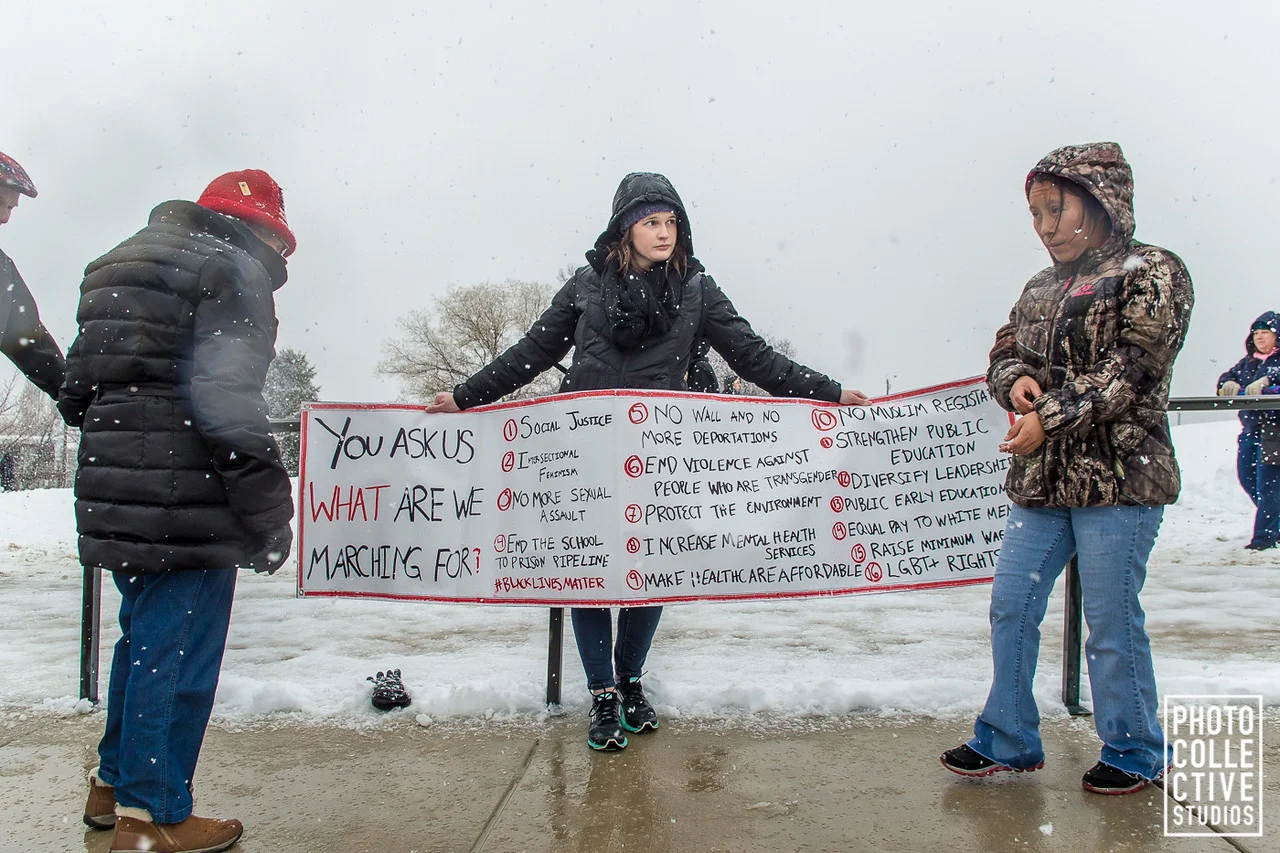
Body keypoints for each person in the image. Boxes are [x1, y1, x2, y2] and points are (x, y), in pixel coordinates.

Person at [426, 171, 868, 751]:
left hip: (661, 457)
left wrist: (829, 392)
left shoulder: (698, 290)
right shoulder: (585, 286)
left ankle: (631, 678)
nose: (664, 233)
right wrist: (465, 395)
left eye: (671, 222)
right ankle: (601, 692)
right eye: (651, 222)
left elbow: (755, 357)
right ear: (625, 228)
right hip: (582, 453)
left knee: (650, 569)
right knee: (585, 572)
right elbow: (533, 351)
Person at [938, 143, 1194, 794]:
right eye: (1035, 213)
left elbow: (1131, 372)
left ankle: (1136, 749)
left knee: (1109, 618)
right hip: (1044, 483)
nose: (1045, 226)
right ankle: (1008, 737)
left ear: (1101, 201)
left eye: (1057, 208)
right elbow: (1002, 354)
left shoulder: (1153, 271)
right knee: (1012, 604)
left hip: (1120, 479)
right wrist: (1017, 380)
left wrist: (1046, 417)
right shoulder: (1039, 288)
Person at [60, 169, 296, 853]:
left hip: (115, 488)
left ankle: (113, 786)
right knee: (179, 654)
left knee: (142, 645)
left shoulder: (114, 265)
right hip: (186, 499)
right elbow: (229, 402)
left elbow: (76, 391)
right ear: (263, 232)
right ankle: (155, 814)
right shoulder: (232, 269)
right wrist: (267, 512)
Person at [0, 151, 66, 402]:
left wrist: (82, 400)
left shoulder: (2, 272)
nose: (5, 217)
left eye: (10, 207)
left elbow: (33, 347)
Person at [1216, 311, 1280, 549]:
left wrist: (1268, 381)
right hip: (1250, 430)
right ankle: (1276, 524)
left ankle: (1264, 539)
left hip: (1275, 431)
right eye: (1256, 333)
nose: (1259, 338)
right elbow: (1225, 378)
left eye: (1266, 333)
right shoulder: (1248, 362)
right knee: (1247, 478)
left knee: (1269, 486)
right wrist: (1227, 384)